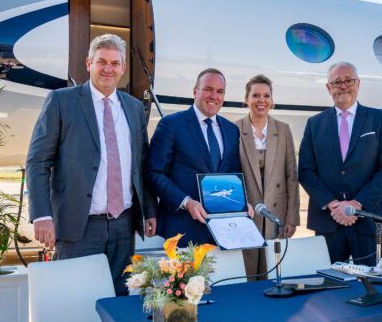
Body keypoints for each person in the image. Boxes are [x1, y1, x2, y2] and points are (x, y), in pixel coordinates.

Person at [26, 34, 156, 296]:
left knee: (119, 296)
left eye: (115, 63)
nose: (108, 68)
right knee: (76, 297)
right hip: (79, 224)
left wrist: (150, 210)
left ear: (122, 68)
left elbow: (142, 164)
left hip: (123, 223)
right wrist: (42, 215)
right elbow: (38, 161)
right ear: (88, 63)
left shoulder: (133, 108)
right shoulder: (62, 101)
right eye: (101, 61)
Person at [298, 61, 382, 265]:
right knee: (329, 289)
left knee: (372, 286)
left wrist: (356, 205)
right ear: (328, 88)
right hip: (329, 221)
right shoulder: (314, 124)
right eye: (336, 82)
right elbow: (306, 171)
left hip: (369, 220)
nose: (343, 86)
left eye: (348, 80)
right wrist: (335, 206)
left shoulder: (380, 120)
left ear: (358, 83)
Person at [146, 68, 242, 247]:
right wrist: (186, 201)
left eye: (220, 91)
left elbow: (233, 173)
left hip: (221, 233)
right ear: (195, 91)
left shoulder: (231, 130)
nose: (214, 96)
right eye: (208, 89)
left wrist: (243, 204)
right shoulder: (171, 125)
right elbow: (154, 173)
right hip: (181, 230)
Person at [235, 74, 300, 277]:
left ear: (272, 100)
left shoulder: (283, 130)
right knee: (246, 271)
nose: (261, 101)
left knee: (273, 270)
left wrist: (292, 217)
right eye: (255, 95)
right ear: (246, 99)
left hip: (276, 213)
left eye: (266, 95)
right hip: (246, 213)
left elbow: (292, 177)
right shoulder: (234, 129)